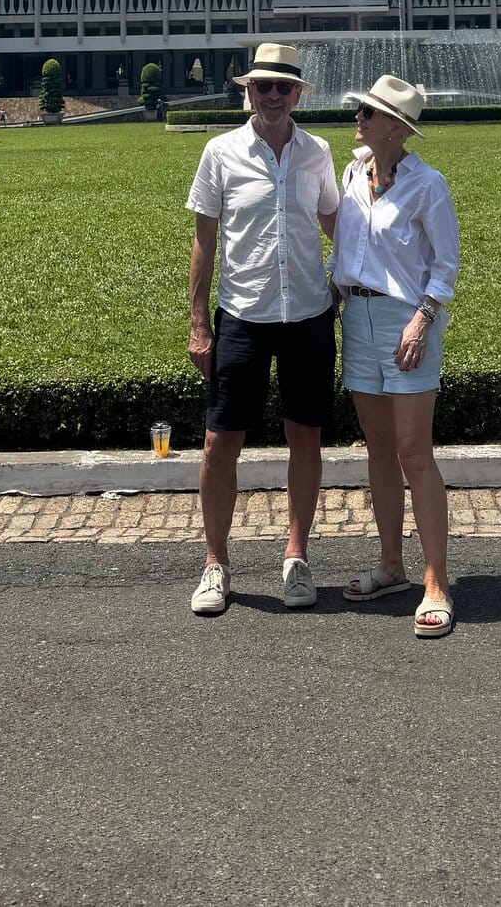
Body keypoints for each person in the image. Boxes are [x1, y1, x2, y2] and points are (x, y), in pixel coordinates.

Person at [186, 42, 339, 616]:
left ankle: (296, 557)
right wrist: (199, 323)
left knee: (305, 438)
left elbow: (336, 224)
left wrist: (354, 277)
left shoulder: (317, 153)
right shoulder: (220, 152)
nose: (273, 96)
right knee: (219, 442)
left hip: (307, 316)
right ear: (248, 91)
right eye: (262, 86)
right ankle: (215, 562)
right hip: (243, 315)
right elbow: (204, 242)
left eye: (283, 87)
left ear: (298, 93)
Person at [329, 75, 460, 639]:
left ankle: (436, 581)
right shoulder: (352, 173)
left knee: (413, 452)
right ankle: (391, 566)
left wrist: (421, 321)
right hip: (356, 318)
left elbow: (446, 266)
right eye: (360, 109)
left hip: (405, 321)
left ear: (397, 128)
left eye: (369, 112)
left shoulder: (428, 185)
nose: (358, 117)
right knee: (379, 451)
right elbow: (345, 246)